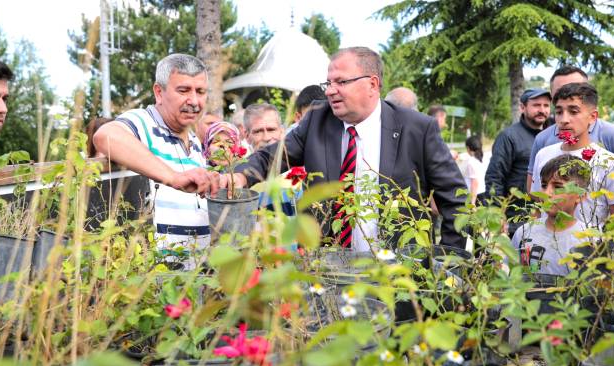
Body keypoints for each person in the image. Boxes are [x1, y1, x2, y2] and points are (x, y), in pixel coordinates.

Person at [228, 47, 466, 251]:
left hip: (399, 277)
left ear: (372, 84)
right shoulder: (316, 121)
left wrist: (449, 264)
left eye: (341, 82)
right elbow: (271, 157)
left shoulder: (417, 129)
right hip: (327, 273)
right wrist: (238, 176)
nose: (330, 90)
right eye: (329, 83)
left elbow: (455, 200)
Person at [93, 54, 220, 253]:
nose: (194, 101)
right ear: (159, 92)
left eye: (201, 91)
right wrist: (173, 177)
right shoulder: (143, 122)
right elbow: (106, 136)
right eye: (183, 90)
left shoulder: (195, 142)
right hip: (159, 274)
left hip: (197, 273)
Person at [531, 82, 614, 229]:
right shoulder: (543, 154)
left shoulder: (610, 162)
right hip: (548, 246)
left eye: (573, 112)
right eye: (559, 112)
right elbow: (537, 207)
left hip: (590, 249)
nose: (564, 120)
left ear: (593, 117)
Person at [527, 65, 614, 190]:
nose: (569, 92)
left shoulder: (613, 135)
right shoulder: (542, 140)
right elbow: (534, 191)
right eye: (561, 91)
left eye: (577, 88)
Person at [484, 88, 551, 236]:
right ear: (522, 107)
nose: (542, 110)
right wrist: (497, 214)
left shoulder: (553, 136)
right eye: (536, 105)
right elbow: (495, 177)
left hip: (547, 217)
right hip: (516, 218)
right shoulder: (509, 137)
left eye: (546, 105)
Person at [512, 154, 590, 276]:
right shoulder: (525, 233)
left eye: (558, 187)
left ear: (580, 196)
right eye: (544, 185)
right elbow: (517, 277)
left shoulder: (590, 239)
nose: (547, 193)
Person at [463, 136, 485, 205]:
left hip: (476, 196)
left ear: (468, 148)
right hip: (484, 194)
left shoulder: (471, 162)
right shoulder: (481, 159)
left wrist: (472, 203)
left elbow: (474, 182)